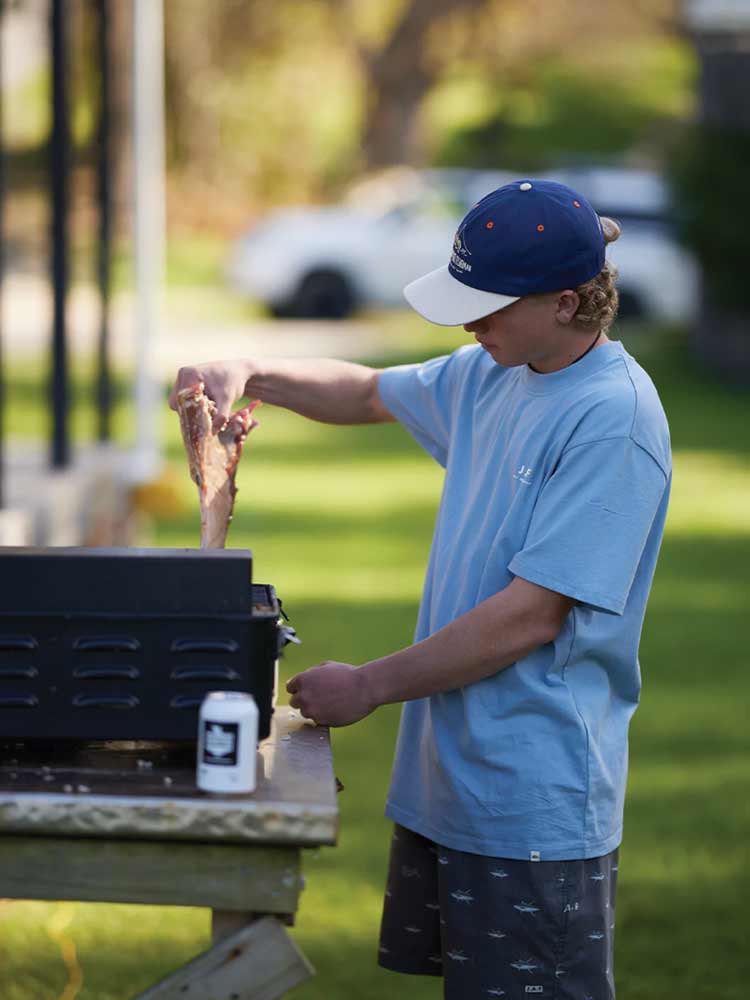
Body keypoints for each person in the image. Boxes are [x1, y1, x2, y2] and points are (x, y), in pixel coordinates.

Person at [169, 179, 672, 998]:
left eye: (489, 305)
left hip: (532, 800)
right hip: (454, 780)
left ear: (569, 301)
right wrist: (251, 370)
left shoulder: (611, 420)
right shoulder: (498, 368)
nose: (470, 322)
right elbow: (370, 392)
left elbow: (531, 616)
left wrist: (369, 685)